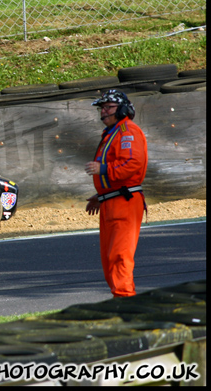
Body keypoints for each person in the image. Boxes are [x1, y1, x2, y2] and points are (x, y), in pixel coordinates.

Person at [84, 89, 148, 298]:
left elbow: (133, 163)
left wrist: (103, 170)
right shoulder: (112, 132)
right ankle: (119, 298)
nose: (103, 112)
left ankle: (125, 300)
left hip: (125, 202)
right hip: (112, 201)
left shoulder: (127, 131)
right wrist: (100, 195)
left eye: (108, 108)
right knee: (109, 257)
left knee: (120, 255)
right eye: (102, 108)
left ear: (122, 110)